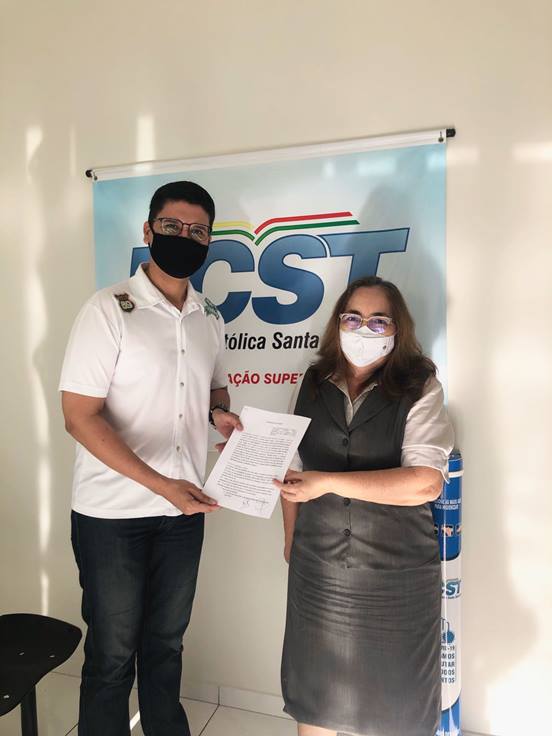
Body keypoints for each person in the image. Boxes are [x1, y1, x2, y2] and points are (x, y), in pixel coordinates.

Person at [59, 181, 241, 736]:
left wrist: (220, 416)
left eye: (198, 231)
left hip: (183, 512)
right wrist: (162, 484)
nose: (185, 237)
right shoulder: (108, 310)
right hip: (111, 516)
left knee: (166, 644)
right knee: (113, 653)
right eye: (172, 226)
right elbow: (79, 417)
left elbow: (214, 389)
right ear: (148, 230)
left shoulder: (209, 316)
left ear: (209, 241)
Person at [274, 275, 454, 736]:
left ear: (398, 329)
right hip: (318, 568)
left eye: (378, 321)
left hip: (397, 572)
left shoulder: (420, 386)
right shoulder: (313, 381)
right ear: (338, 323)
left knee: (397, 703)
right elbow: (292, 466)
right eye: (353, 318)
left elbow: (425, 484)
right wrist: (291, 537)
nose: (363, 329)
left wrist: (328, 482)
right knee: (316, 698)